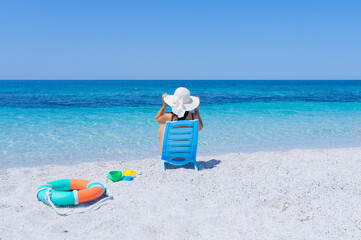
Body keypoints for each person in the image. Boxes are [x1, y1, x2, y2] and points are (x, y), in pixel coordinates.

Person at [156, 87, 204, 153]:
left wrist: (164, 106)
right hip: (187, 154)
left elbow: (157, 118)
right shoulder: (193, 117)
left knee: (162, 125)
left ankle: (163, 151)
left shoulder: (168, 117)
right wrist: (196, 110)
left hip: (168, 154)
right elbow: (200, 128)